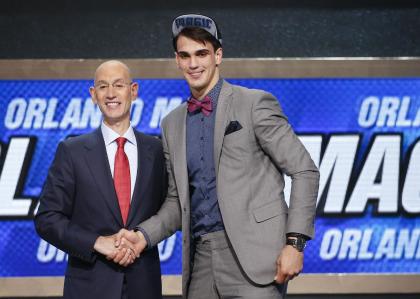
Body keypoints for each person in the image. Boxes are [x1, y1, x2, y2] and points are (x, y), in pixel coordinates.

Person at [117, 14, 320, 298]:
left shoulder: (254, 103)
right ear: (177, 60)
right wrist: (142, 236)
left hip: (255, 261)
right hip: (200, 261)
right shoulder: (172, 123)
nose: (193, 63)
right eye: (185, 55)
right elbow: (177, 202)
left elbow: (304, 170)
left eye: (202, 53)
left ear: (218, 55)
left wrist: (295, 243)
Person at [34, 60, 166, 299]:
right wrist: (96, 242)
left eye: (119, 85)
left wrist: (142, 237)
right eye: (103, 87)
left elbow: (171, 210)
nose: (111, 94)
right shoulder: (72, 151)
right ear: (93, 95)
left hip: (144, 286)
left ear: (133, 91)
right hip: (89, 287)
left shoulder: (156, 151)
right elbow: (47, 219)